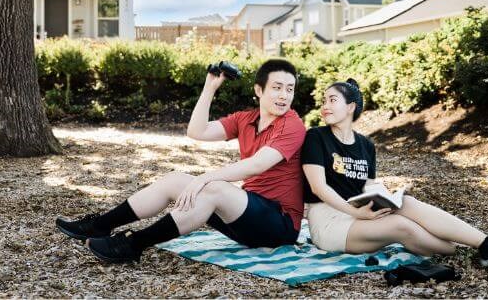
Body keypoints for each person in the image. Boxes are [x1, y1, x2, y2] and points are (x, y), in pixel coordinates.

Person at [56, 59, 307, 263]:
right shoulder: (246, 119)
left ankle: (133, 244)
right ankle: (100, 225)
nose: (284, 95)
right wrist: (210, 87)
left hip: (279, 225)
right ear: (259, 90)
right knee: (174, 180)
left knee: (213, 188)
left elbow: (257, 165)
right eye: (277, 87)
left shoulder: (292, 124)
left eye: (289, 88)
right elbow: (197, 132)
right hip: (247, 218)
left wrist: (205, 178)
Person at [301, 79, 488, 267]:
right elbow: (318, 188)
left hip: (358, 212)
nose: (325, 106)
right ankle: (476, 248)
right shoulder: (316, 137)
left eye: (332, 100)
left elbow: (368, 185)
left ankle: (486, 244)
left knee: (406, 203)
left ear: (350, 107)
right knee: (402, 226)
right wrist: (358, 213)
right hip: (330, 222)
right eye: (324, 101)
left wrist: (384, 198)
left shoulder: (365, 145)